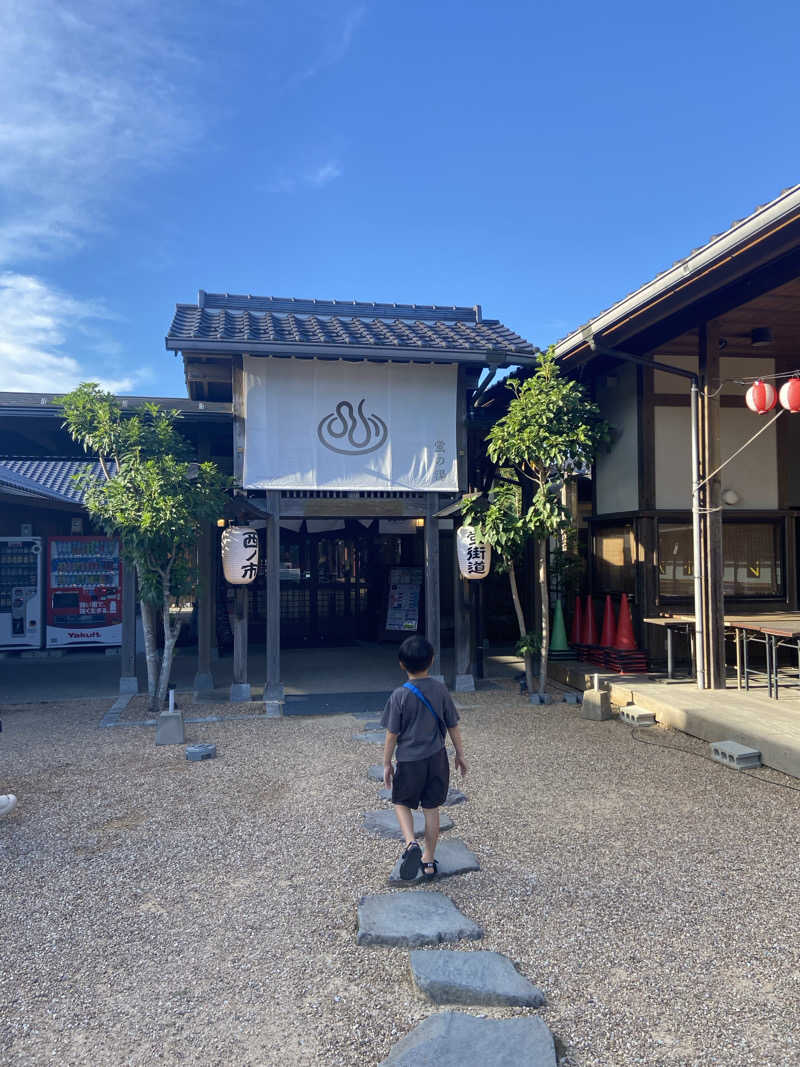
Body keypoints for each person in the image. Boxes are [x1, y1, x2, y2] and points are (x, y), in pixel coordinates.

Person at [381, 635, 467, 881]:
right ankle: (428, 860)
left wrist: (387, 763)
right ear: (431, 661)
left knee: (400, 801)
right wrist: (460, 754)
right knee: (431, 808)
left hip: (409, 760)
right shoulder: (440, 690)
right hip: (437, 758)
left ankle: (411, 844)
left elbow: (391, 734)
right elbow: (453, 725)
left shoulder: (399, 695)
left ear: (401, 664)